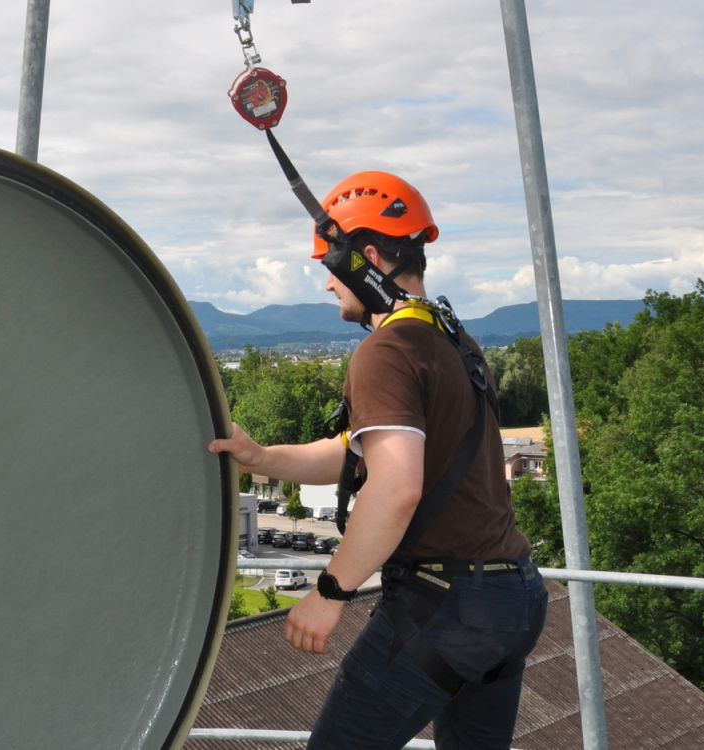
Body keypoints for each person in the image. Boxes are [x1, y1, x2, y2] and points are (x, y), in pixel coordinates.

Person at [208, 171, 548, 750]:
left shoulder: (386, 351)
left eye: (329, 269)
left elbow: (395, 488)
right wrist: (260, 456)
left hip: (445, 602)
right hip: (511, 597)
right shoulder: (451, 340)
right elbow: (357, 453)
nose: (327, 287)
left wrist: (329, 593)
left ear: (363, 259)